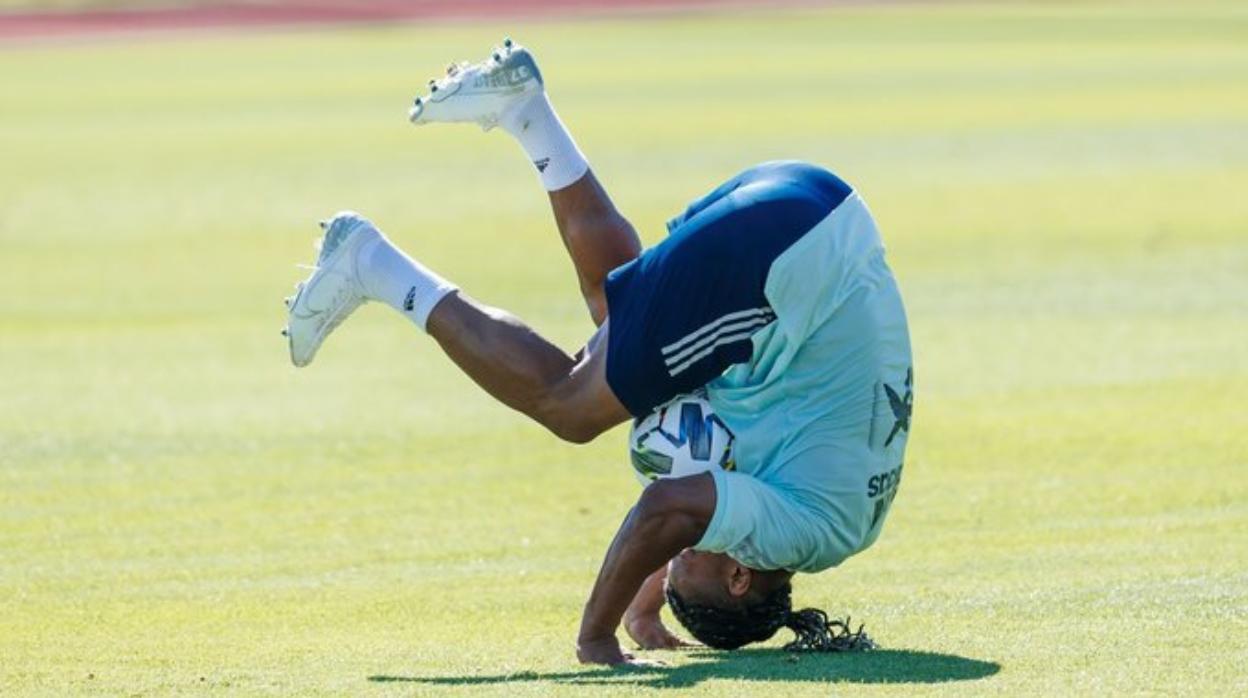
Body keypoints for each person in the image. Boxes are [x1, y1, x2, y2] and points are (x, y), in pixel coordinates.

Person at [283, 39, 913, 666]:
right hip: (788, 263)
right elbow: (669, 511)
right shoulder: (798, 537)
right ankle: (373, 266)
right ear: (741, 578)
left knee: (619, 319)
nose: (678, 552)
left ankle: (528, 113)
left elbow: (690, 522)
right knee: (572, 408)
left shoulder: (843, 521)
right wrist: (599, 633)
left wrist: (655, 596)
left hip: (815, 205)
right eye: (683, 562)